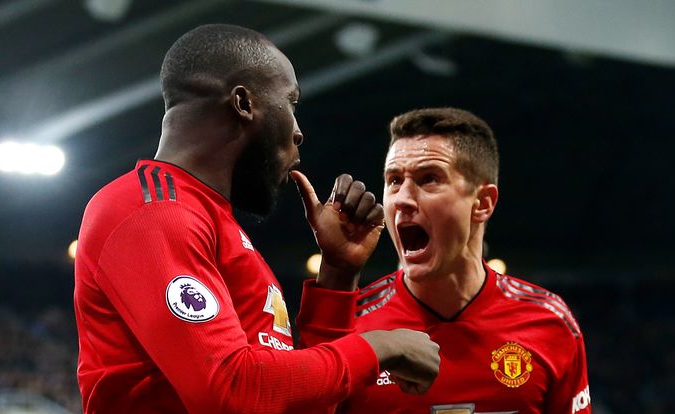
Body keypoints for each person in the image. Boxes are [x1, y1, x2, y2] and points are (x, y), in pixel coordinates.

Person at [73, 24, 439, 414]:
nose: (298, 132)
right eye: (291, 104)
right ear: (244, 103)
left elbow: (299, 403)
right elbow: (231, 393)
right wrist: (381, 346)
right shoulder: (152, 210)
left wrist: (337, 274)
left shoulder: (215, 225)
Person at [297, 107, 592, 413]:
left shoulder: (550, 324)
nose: (403, 199)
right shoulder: (347, 323)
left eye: (429, 180)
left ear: (482, 203)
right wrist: (335, 272)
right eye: (394, 180)